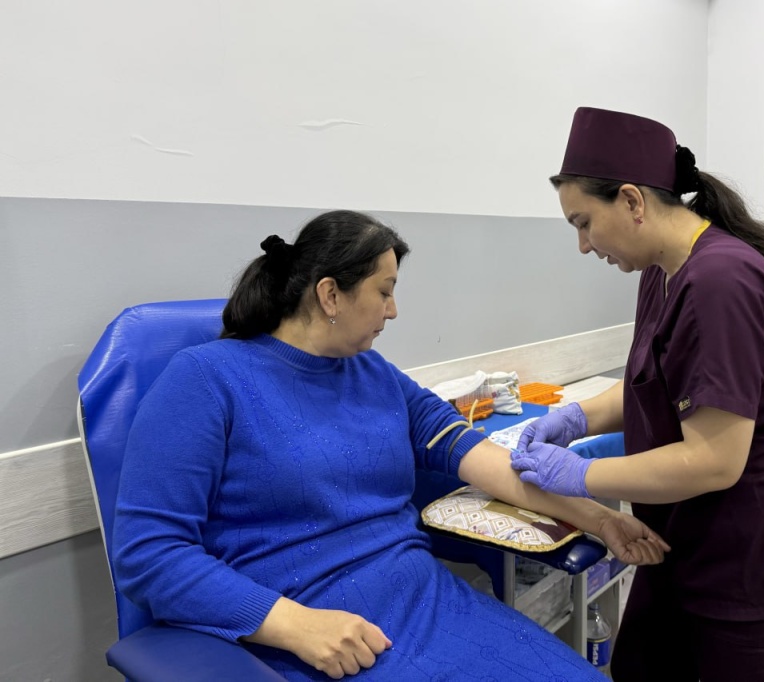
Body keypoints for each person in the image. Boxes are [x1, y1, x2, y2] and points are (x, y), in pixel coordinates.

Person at [111, 209, 670, 681]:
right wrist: (294, 625)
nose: (393, 310)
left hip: (423, 602)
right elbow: (148, 554)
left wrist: (601, 519)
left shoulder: (375, 375)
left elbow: (492, 465)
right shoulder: (205, 380)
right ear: (330, 294)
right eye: (384, 291)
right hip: (305, 634)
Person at [509, 107, 764, 682]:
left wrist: (580, 475)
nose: (584, 245)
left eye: (584, 223)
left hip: (759, 554)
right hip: (687, 542)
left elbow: (714, 459)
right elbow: (649, 385)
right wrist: (573, 418)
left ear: (632, 201)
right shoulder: (660, 271)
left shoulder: (720, 281)